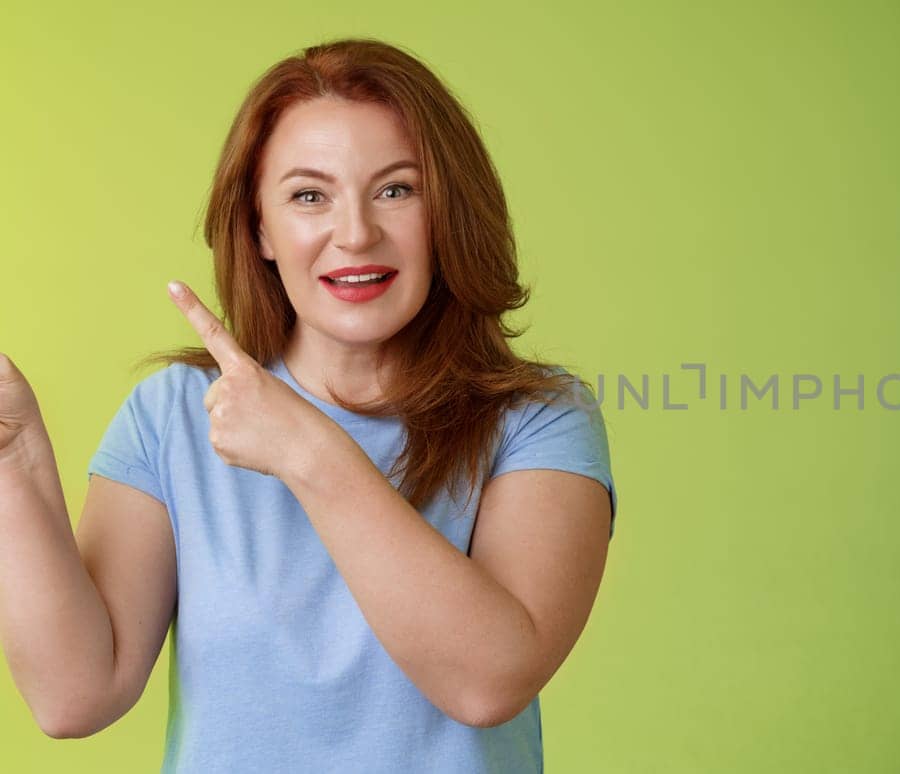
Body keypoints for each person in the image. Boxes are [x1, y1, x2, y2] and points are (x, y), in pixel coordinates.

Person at [0, 37, 616, 773]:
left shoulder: (540, 420)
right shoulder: (172, 414)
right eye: (308, 196)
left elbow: (488, 683)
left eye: (397, 189)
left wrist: (307, 449)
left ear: (448, 210)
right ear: (260, 227)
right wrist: (13, 457)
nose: (355, 233)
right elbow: (75, 697)